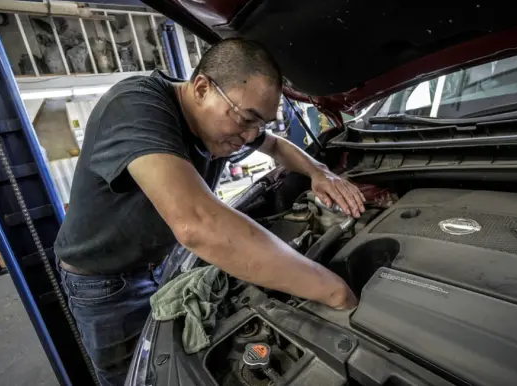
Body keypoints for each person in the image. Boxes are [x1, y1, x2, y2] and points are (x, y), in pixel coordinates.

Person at [54, 38, 365, 385]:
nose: (249, 136)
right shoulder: (135, 107)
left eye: (259, 124)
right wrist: (332, 290)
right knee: (136, 377)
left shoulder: (223, 115)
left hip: (164, 261)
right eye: (246, 119)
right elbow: (197, 225)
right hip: (107, 283)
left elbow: (275, 145)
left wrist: (317, 171)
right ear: (201, 88)